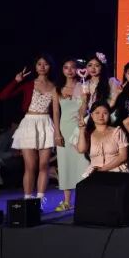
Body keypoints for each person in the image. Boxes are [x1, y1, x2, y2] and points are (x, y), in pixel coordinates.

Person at [0, 56, 63, 206]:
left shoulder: (55, 87)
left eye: (46, 64)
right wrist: (16, 81)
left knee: (44, 165)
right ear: (35, 67)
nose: (42, 67)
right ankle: (28, 199)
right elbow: (3, 96)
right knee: (30, 166)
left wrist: (57, 132)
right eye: (39, 64)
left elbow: (56, 112)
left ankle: (40, 200)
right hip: (29, 123)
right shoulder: (29, 84)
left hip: (46, 124)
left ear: (50, 67)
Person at [55, 59, 90, 211]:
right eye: (66, 67)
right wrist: (57, 133)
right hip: (64, 128)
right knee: (64, 163)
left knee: (83, 162)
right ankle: (67, 201)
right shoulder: (57, 89)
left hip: (80, 128)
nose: (69, 70)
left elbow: (85, 108)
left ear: (78, 70)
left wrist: (85, 101)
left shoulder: (83, 85)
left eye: (73, 67)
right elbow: (56, 112)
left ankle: (84, 200)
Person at [78, 102, 129, 177]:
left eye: (105, 113)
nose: (101, 116)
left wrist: (103, 169)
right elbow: (81, 150)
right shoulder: (88, 133)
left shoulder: (117, 131)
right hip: (95, 173)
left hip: (116, 171)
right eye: (97, 113)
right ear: (91, 115)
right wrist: (82, 130)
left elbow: (123, 156)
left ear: (109, 115)